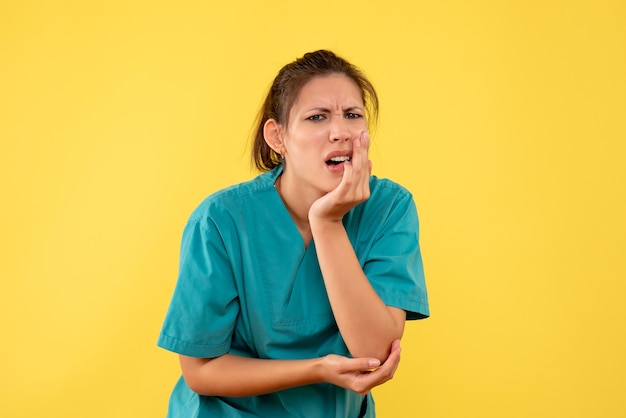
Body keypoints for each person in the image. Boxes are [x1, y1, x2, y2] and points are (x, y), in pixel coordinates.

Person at [157, 49, 429, 417]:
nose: (341, 133)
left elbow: (375, 354)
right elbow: (200, 371)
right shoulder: (220, 220)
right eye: (317, 117)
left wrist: (328, 223)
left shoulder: (389, 208)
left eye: (353, 115)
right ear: (278, 137)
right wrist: (316, 369)